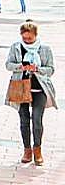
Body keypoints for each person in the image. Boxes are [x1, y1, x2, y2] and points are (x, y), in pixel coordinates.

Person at [5, 21, 57, 165]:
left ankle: (37, 150)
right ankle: (27, 150)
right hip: (21, 88)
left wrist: (37, 69)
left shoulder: (45, 49)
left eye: (30, 38)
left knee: (37, 120)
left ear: (36, 35)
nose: (27, 40)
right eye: (24, 38)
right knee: (24, 120)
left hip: (39, 88)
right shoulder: (16, 47)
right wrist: (21, 67)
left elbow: (51, 69)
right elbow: (8, 65)